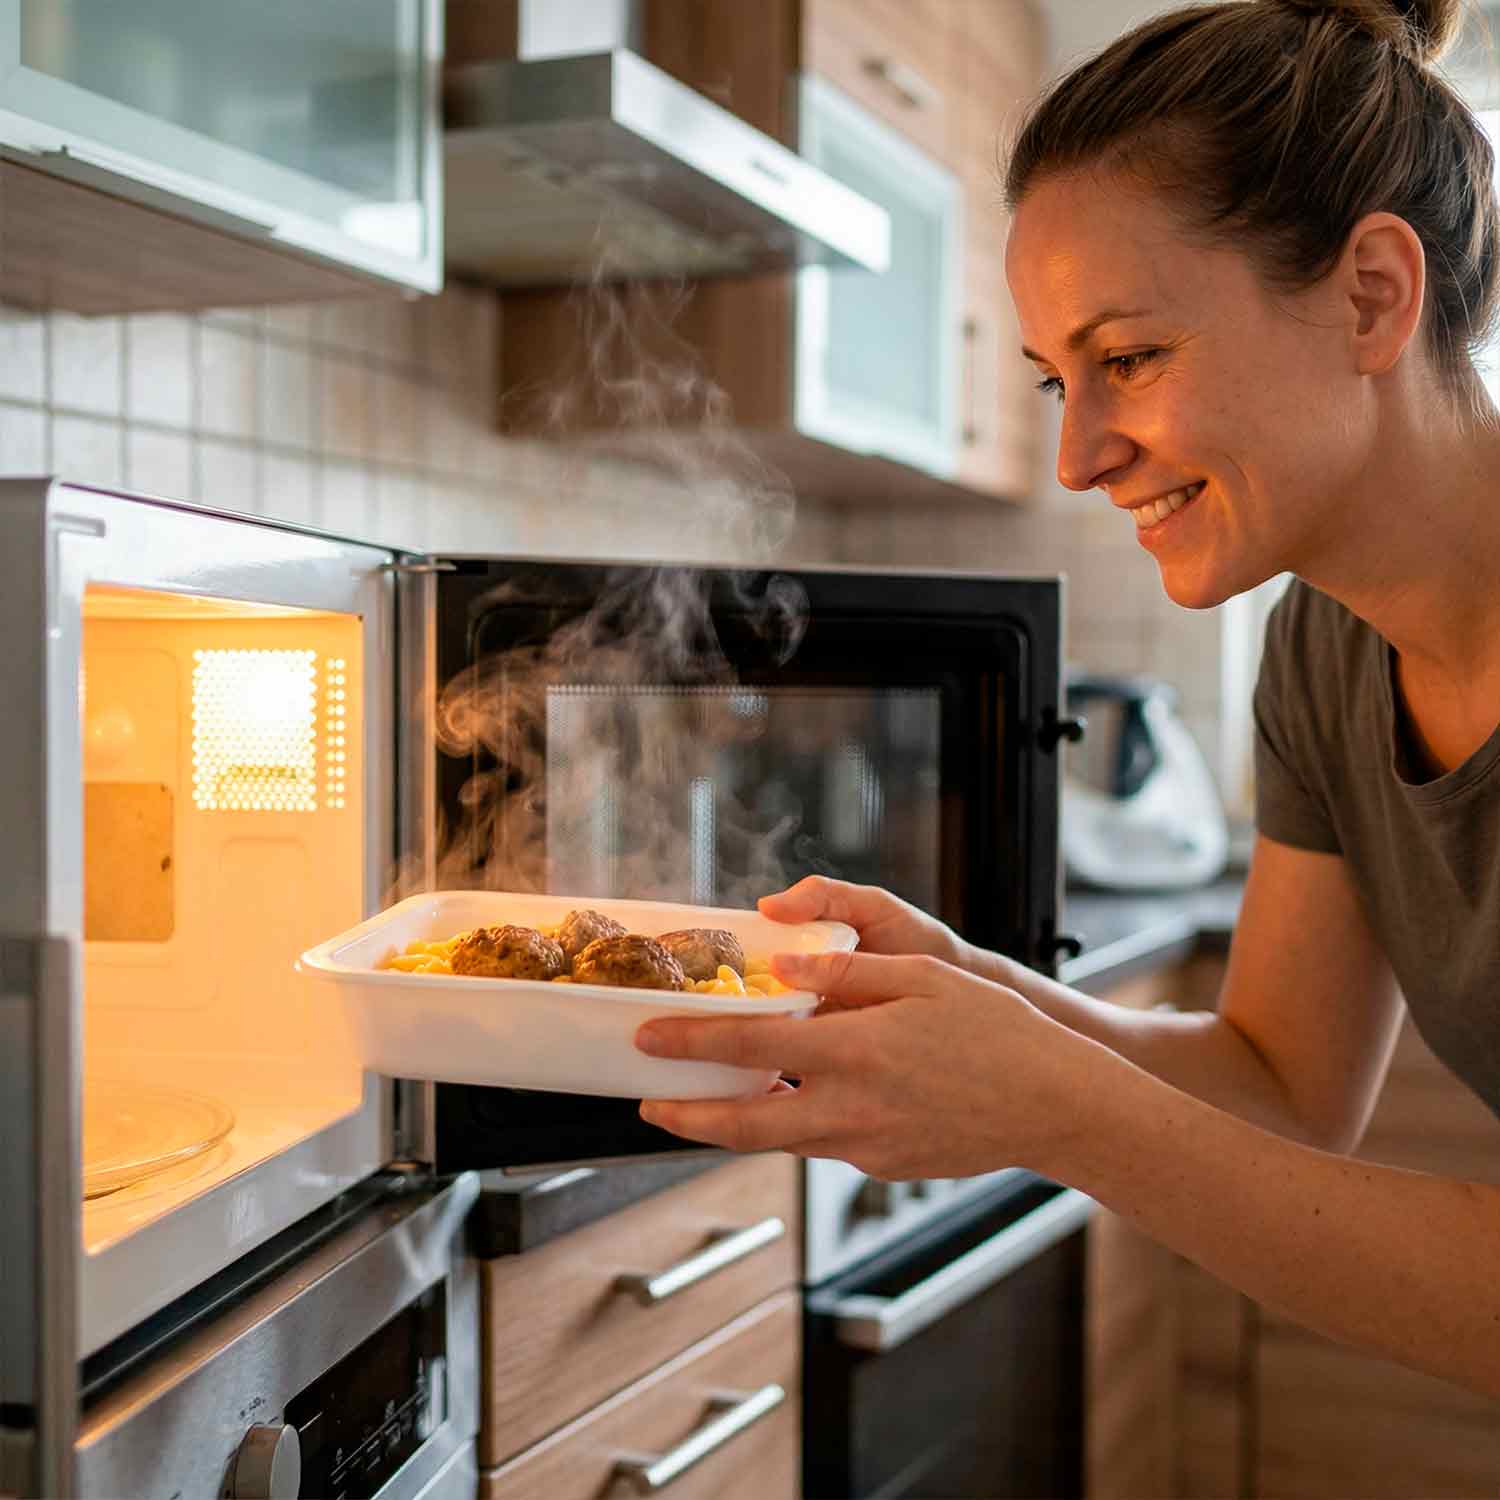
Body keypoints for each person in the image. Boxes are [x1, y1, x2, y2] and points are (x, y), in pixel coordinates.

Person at [633, 0, 1500, 1399]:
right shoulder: (1326, 650)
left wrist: (1057, 1107)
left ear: (1372, 297)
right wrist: (985, 1004)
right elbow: (1281, 1085)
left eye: (1132, 359)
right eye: (1054, 380)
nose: (1081, 455)